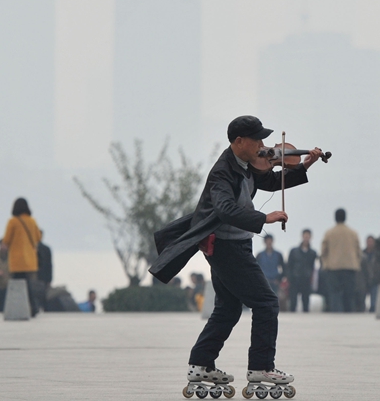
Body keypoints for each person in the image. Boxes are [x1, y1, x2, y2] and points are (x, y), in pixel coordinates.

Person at [149, 115, 324, 394]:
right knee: (266, 303)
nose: (263, 146)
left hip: (234, 244)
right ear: (239, 141)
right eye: (257, 140)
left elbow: (272, 181)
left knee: (228, 308)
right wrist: (263, 218)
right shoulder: (222, 172)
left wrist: (305, 165)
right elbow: (225, 209)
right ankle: (261, 367)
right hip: (226, 247)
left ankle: (201, 363)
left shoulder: (247, 164)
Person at [2, 197, 43, 317]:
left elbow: (6, 240)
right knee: (28, 283)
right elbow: (38, 237)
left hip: (17, 259)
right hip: (30, 259)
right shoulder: (32, 221)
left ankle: (21, 308)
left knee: (18, 284)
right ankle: (33, 307)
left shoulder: (13, 222)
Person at [320, 208, 361, 313]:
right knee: (349, 294)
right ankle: (349, 314)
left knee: (334, 294)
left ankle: (336, 314)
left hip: (333, 268)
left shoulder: (329, 233)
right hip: (350, 267)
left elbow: (323, 251)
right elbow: (358, 251)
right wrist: (357, 263)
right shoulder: (353, 233)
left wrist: (325, 264)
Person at [285, 229, 317, 312]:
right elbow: (289, 265)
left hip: (306, 279)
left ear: (310, 237)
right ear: (302, 236)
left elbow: (312, 267)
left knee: (306, 301)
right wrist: (289, 277)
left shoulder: (312, 253)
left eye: (308, 236)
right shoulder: (294, 251)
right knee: (293, 301)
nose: (306, 238)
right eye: (305, 236)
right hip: (295, 278)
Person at [360, 235, 380, 313]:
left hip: (374, 279)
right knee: (362, 299)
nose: (370, 243)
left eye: (371, 241)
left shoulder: (378, 254)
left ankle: (372, 310)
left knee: (374, 301)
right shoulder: (362, 254)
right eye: (368, 241)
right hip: (364, 279)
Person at [36, 235, 53, 311]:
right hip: (40, 277)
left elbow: (49, 265)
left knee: (43, 296)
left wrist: (49, 279)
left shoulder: (46, 249)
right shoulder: (46, 249)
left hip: (42, 277)